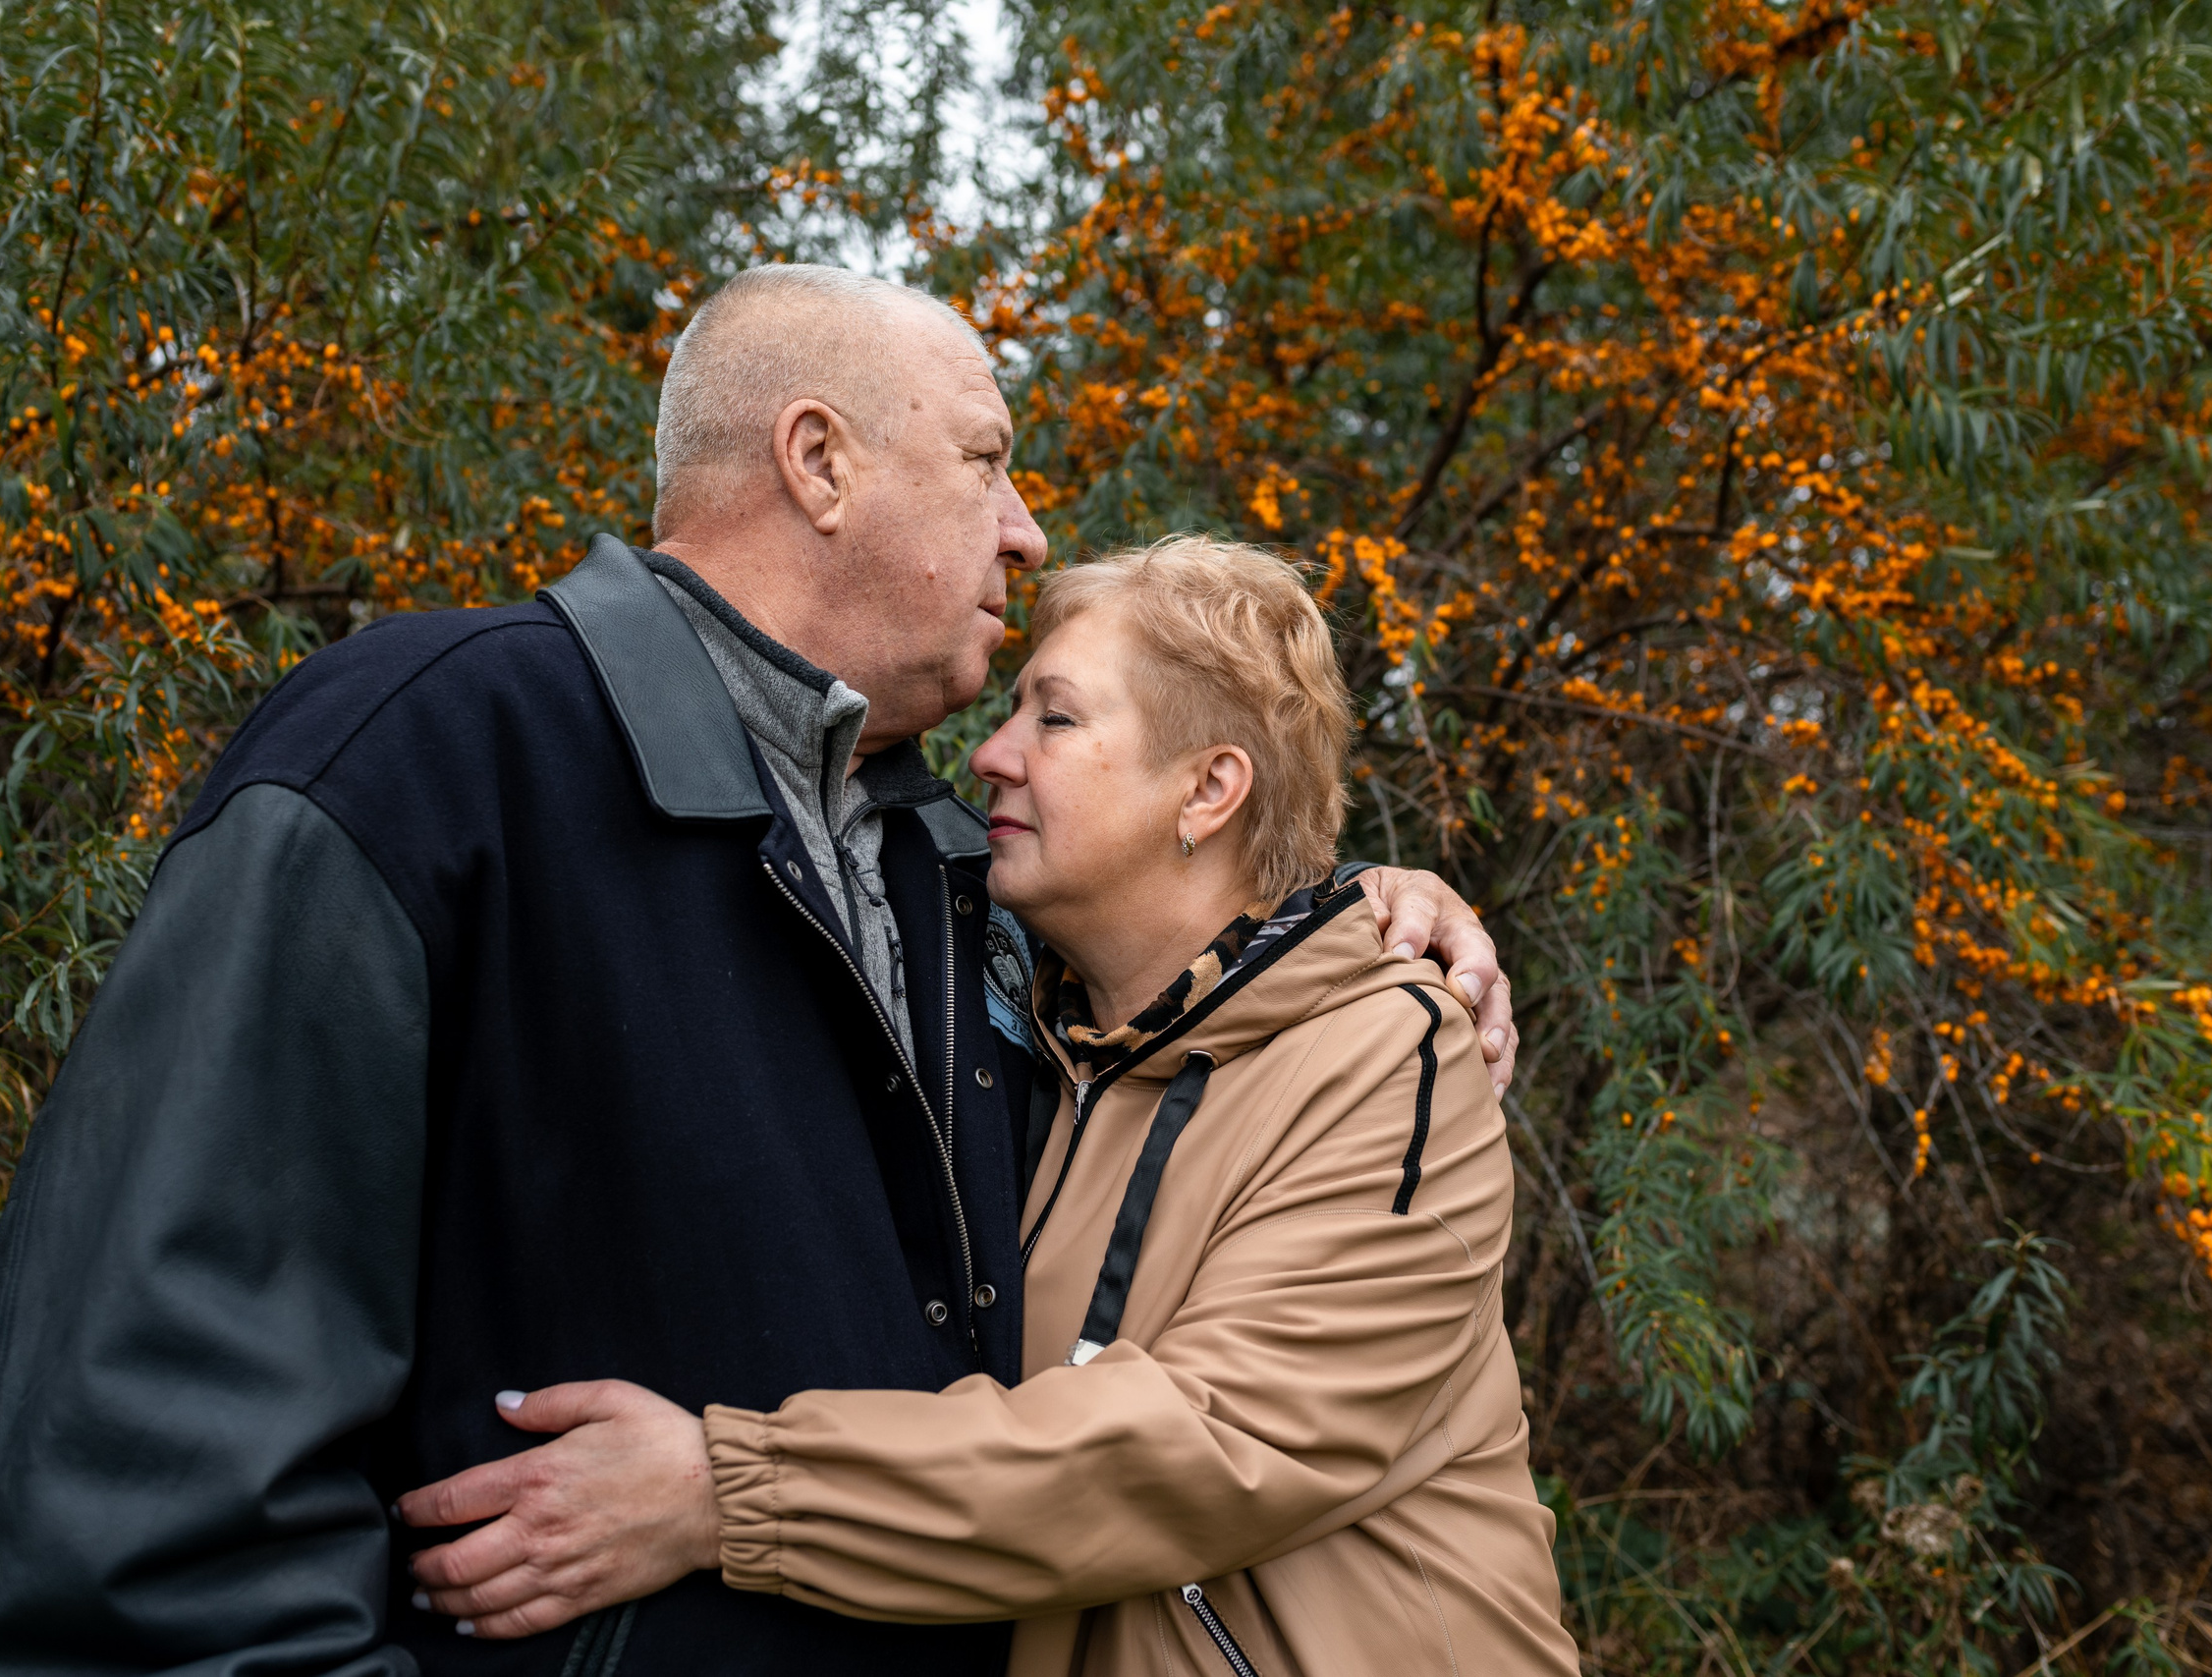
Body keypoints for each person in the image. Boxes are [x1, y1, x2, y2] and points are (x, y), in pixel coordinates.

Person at [0, 266, 1518, 1677]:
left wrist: (1365, 905)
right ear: (818, 461)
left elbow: (1209, 980)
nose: (1030, 527)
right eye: (986, 457)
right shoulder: (426, 756)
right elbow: (144, 1489)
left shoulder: (959, 871)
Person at [393, 538, 1578, 1677]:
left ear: (1211, 788)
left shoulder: (1390, 1053)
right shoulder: (1031, 1040)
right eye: (1010, 713)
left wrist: (726, 1491)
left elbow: (1215, 1445)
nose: (994, 755)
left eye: (1054, 719)